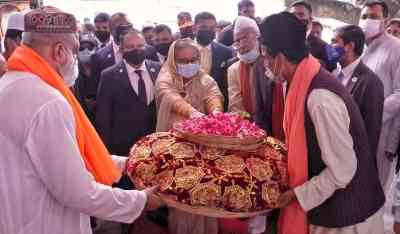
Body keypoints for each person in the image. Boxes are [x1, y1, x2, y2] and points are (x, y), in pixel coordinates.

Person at [0, 7, 162, 234]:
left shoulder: (11, 83)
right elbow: (76, 191)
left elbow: (66, 157)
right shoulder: (47, 101)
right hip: (46, 224)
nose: (76, 60)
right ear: (59, 52)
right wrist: (139, 201)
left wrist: (128, 163)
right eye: (75, 52)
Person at [260, 11, 384, 234]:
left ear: (278, 57)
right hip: (330, 209)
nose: (264, 64)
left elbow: (344, 169)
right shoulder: (302, 78)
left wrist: (297, 195)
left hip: (346, 217)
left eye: (264, 56)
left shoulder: (319, 97)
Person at [155, 38, 223, 234]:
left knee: (204, 190)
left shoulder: (203, 77)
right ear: (173, 60)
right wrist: (192, 113)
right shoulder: (165, 76)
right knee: (181, 194)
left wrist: (216, 111)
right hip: (175, 146)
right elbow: (169, 96)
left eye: (193, 59)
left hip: (202, 145)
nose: (189, 64)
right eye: (183, 61)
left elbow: (212, 93)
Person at [97, 28, 161, 158]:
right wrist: (108, 152)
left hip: (157, 145)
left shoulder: (159, 69)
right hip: (124, 150)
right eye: (130, 47)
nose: (136, 50)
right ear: (121, 49)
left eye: (139, 46)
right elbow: (103, 116)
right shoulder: (109, 76)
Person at [360, 0, 400, 191]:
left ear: (385, 20)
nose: (368, 21)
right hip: (355, 128)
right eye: (364, 17)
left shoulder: (396, 48)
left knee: (373, 190)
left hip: (381, 130)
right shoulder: (359, 47)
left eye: (374, 17)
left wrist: (372, 114)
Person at [332, 25, 384, 159]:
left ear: (349, 46)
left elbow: (371, 133)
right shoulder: (334, 74)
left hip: (350, 160)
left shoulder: (371, 82)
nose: (330, 46)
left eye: (334, 42)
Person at [194, 12, 235, 110]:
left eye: (212, 28)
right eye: (203, 27)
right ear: (194, 29)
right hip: (189, 106)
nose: (208, 30)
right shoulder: (182, 50)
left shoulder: (226, 52)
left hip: (217, 107)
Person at [289, 0, 336, 72]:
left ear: (310, 19)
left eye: (301, 14)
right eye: (292, 15)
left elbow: (333, 68)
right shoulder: (283, 38)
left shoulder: (326, 47)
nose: (296, 18)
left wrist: (310, 61)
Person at [74, 33, 98, 124]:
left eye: (89, 48)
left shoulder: (101, 69)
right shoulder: (73, 74)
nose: (86, 51)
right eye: (82, 48)